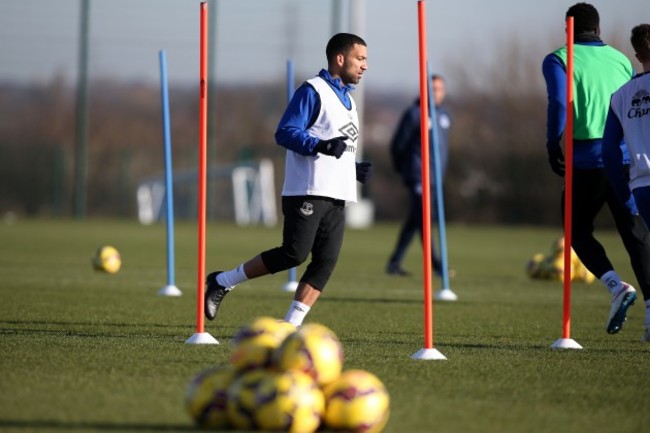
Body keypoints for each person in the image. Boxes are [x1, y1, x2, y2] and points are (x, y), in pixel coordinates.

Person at [204, 33, 371, 327]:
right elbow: (285, 132)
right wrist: (320, 146)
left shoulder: (349, 101)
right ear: (340, 58)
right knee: (293, 254)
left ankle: (288, 328)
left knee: (325, 262)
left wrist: (351, 168)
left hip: (337, 195)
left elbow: (335, 145)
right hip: (307, 190)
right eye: (360, 58)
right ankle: (222, 281)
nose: (365, 66)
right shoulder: (313, 90)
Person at [542, 3, 650, 336]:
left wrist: (552, 142)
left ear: (568, 29)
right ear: (599, 29)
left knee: (576, 231)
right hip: (623, 159)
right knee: (636, 236)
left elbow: (560, 103)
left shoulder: (558, 58)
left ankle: (616, 286)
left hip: (584, 159)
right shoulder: (620, 59)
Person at [602, 23, 650, 342]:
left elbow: (608, 152)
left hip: (642, 187)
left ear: (636, 54)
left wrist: (625, 195)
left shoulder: (620, 96)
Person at [386, 74, 452, 279]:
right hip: (418, 176)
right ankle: (436, 264)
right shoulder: (414, 114)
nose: (436, 93)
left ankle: (394, 262)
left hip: (435, 178)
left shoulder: (444, 116)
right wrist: (404, 171)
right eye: (431, 89)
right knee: (425, 218)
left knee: (415, 220)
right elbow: (398, 145)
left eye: (439, 89)